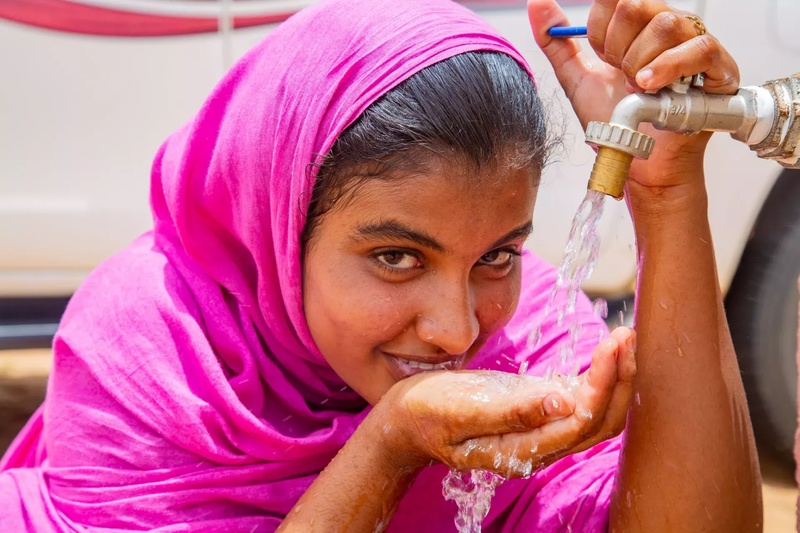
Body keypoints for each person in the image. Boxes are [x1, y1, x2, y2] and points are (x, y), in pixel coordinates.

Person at [0, 0, 762, 530]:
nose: (457, 329)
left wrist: (667, 198)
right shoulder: (145, 357)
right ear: (279, 224)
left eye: (498, 254)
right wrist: (388, 448)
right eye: (396, 257)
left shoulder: (526, 330)